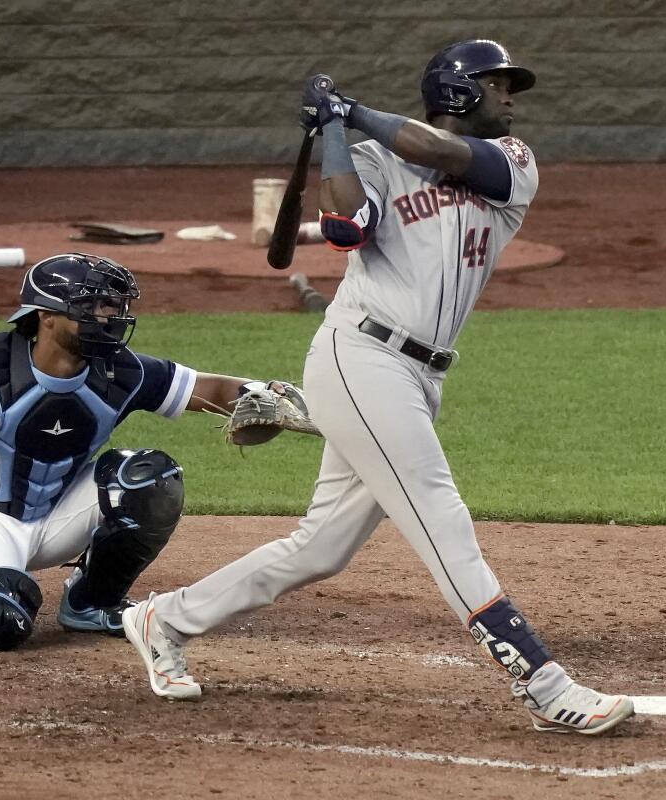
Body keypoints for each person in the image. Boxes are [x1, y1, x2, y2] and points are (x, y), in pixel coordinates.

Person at [120, 40, 635, 735]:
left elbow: (449, 156)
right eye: (497, 84)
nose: (510, 96)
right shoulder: (370, 161)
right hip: (361, 358)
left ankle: (163, 619)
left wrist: (349, 109)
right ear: (456, 92)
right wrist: (335, 131)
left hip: (420, 374)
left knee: (320, 548)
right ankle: (542, 683)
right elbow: (344, 229)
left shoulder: (513, 163)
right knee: (439, 518)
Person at [0, 253, 310, 652]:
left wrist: (261, 391)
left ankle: (91, 603)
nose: (108, 317)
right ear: (45, 316)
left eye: (112, 306)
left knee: (152, 480)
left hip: (59, 514)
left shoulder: (120, 372)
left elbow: (207, 388)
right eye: (93, 306)